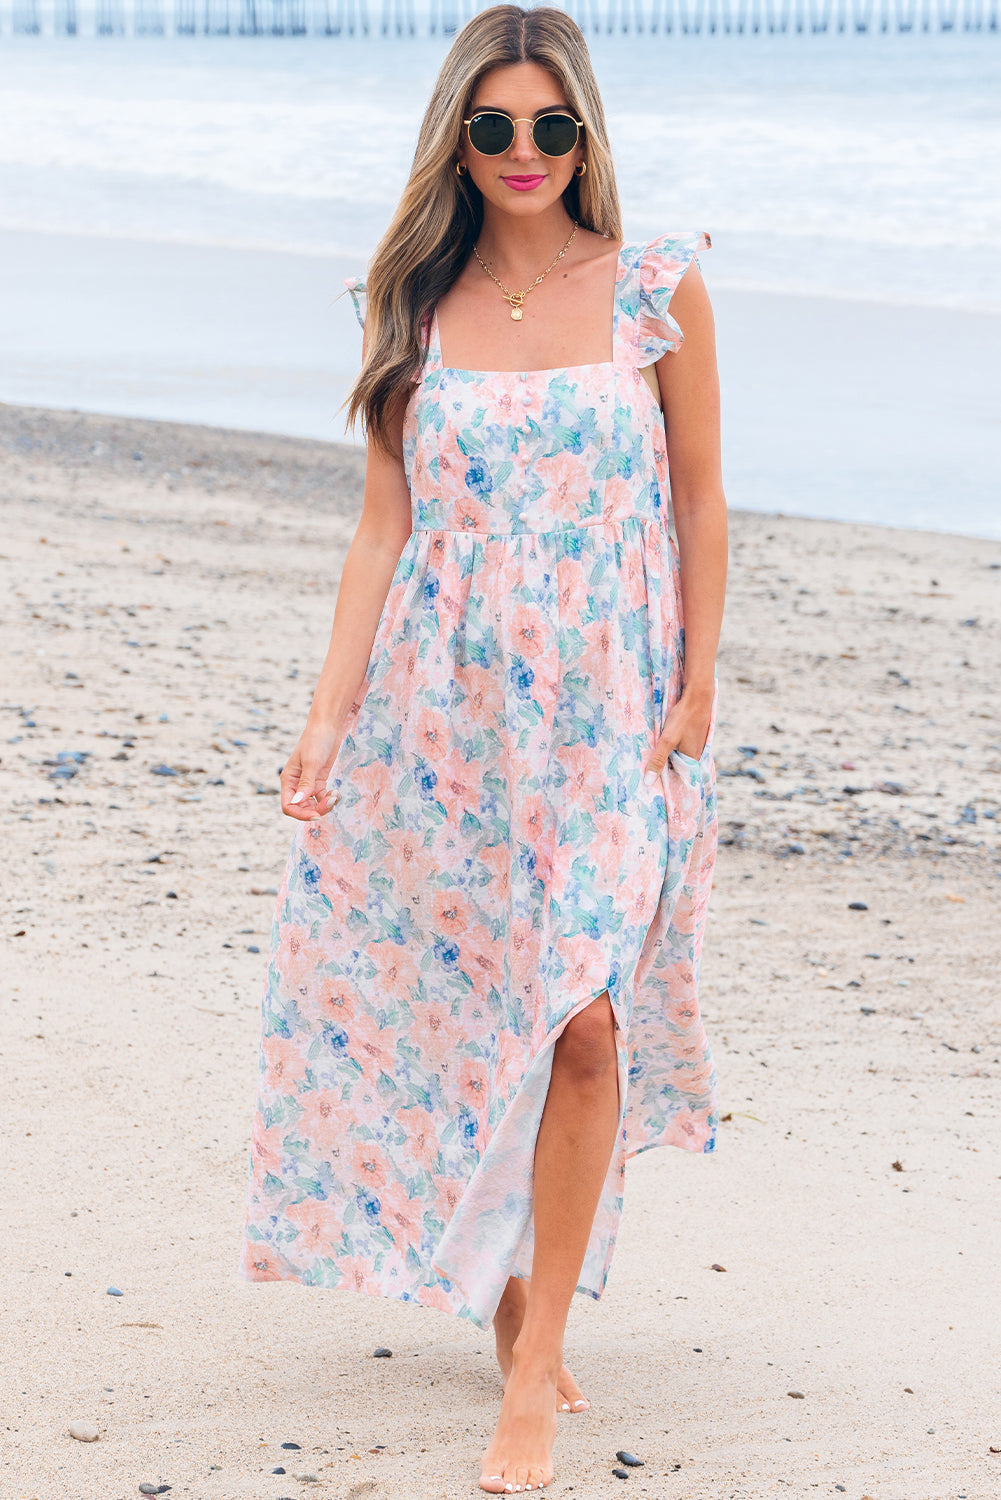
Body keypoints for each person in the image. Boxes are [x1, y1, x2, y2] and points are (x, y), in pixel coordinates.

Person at [238, 5, 727, 1492]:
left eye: (551, 126)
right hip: (444, 718)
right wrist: (328, 713)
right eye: (496, 126)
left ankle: (531, 1362)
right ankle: (510, 1289)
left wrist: (700, 682)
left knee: (584, 1018)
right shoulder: (410, 306)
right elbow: (382, 526)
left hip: (613, 709)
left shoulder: (654, 289)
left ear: (585, 136)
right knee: (473, 1006)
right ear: (458, 139)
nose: (525, 152)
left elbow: (701, 498)